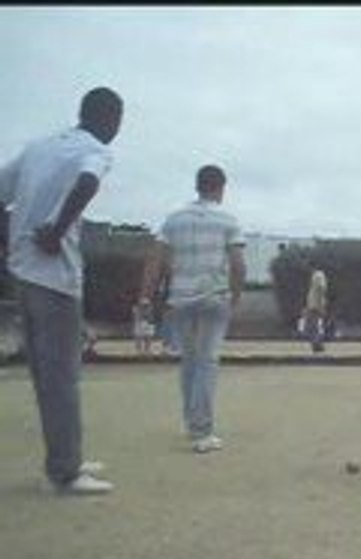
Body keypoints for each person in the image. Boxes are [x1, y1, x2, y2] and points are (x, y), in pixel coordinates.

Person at [0, 87, 123, 495]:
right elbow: (88, 182)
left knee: (45, 374)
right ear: (111, 120)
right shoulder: (96, 150)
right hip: (56, 276)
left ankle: (64, 456)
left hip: (23, 271)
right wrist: (54, 230)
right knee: (63, 375)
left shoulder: (38, 147)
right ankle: (66, 471)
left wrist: (12, 239)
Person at [139, 165, 246, 454]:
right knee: (208, 360)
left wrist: (145, 298)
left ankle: (192, 423)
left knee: (189, 360)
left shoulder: (174, 220)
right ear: (221, 188)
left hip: (180, 299)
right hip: (214, 296)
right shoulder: (228, 220)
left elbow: (155, 260)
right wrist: (236, 295)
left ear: (198, 186)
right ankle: (202, 431)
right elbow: (237, 263)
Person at [301, 268, 327, 353]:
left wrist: (320, 307)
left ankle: (317, 345)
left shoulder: (318, 282)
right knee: (313, 327)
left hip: (314, 308)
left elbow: (319, 295)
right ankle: (317, 345)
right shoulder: (316, 285)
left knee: (313, 327)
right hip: (313, 307)